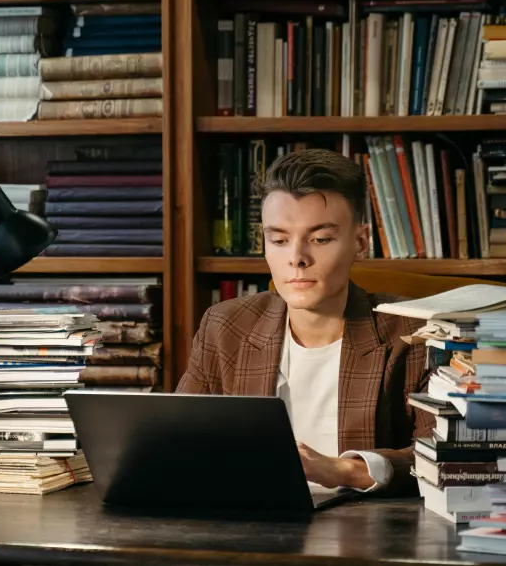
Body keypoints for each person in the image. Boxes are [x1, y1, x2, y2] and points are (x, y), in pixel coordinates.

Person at [176, 148, 432, 496]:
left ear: (360, 242)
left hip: (370, 536)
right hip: (249, 530)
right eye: (279, 240)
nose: (296, 259)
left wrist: (344, 469)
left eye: (320, 239)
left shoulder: (417, 334)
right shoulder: (226, 326)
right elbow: (178, 444)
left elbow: (454, 459)